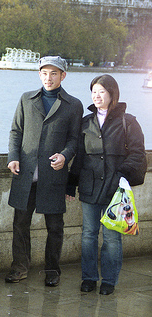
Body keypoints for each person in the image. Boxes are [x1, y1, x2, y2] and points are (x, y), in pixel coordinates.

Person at [5, 56, 83, 287]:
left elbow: (74, 139)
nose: (48, 78)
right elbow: (15, 131)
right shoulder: (26, 99)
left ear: (63, 76)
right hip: (25, 172)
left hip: (54, 174)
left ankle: (52, 271)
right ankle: (19, 268)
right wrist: (13, 158)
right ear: (39, 74)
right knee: (20, 224)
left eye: (54, 74)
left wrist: (65, 156)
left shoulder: (73, 104)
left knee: (55, 226)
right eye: (44, 73)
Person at [67, 74, 146, 295]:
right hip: (89, 186)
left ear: (112, 94)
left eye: (102, 91)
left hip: (115, 188)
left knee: (112, 236)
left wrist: (122, 174)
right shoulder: (86, 122)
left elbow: (138, 154)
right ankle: (89, 278)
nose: (97, 96)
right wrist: (70, 184)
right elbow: (80, 157)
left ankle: (109, 280)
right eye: (94, 91)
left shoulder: (128, 121)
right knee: (88, 234)